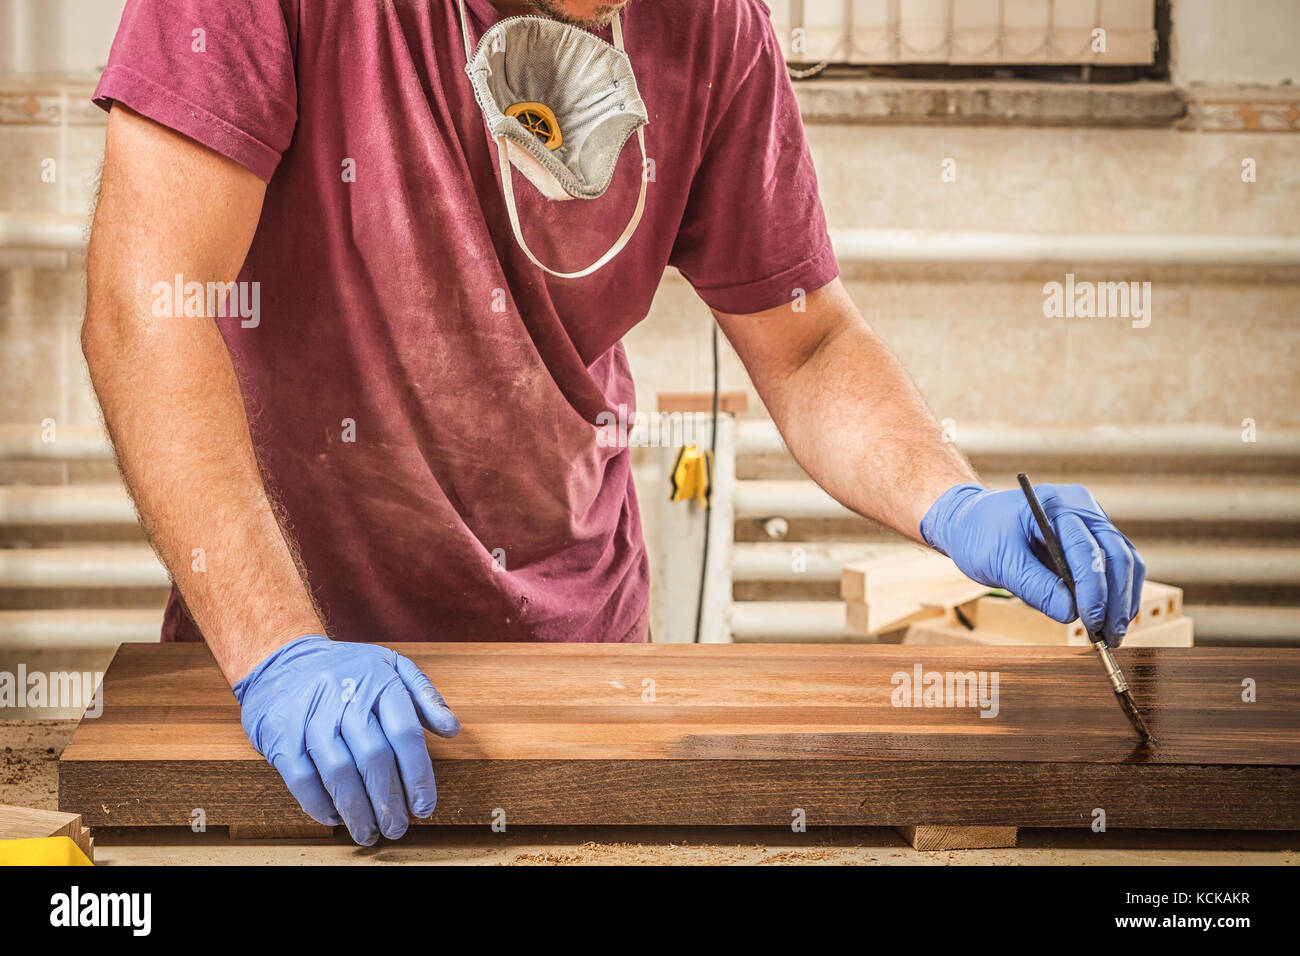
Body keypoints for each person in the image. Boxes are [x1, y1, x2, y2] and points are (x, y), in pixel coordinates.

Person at [81, 0, 1144, 845]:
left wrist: (951, 498)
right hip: (300, 670)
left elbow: (805, 342)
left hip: (578, 663)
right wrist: (279, 652)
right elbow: (147, 309)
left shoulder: (714, 28)